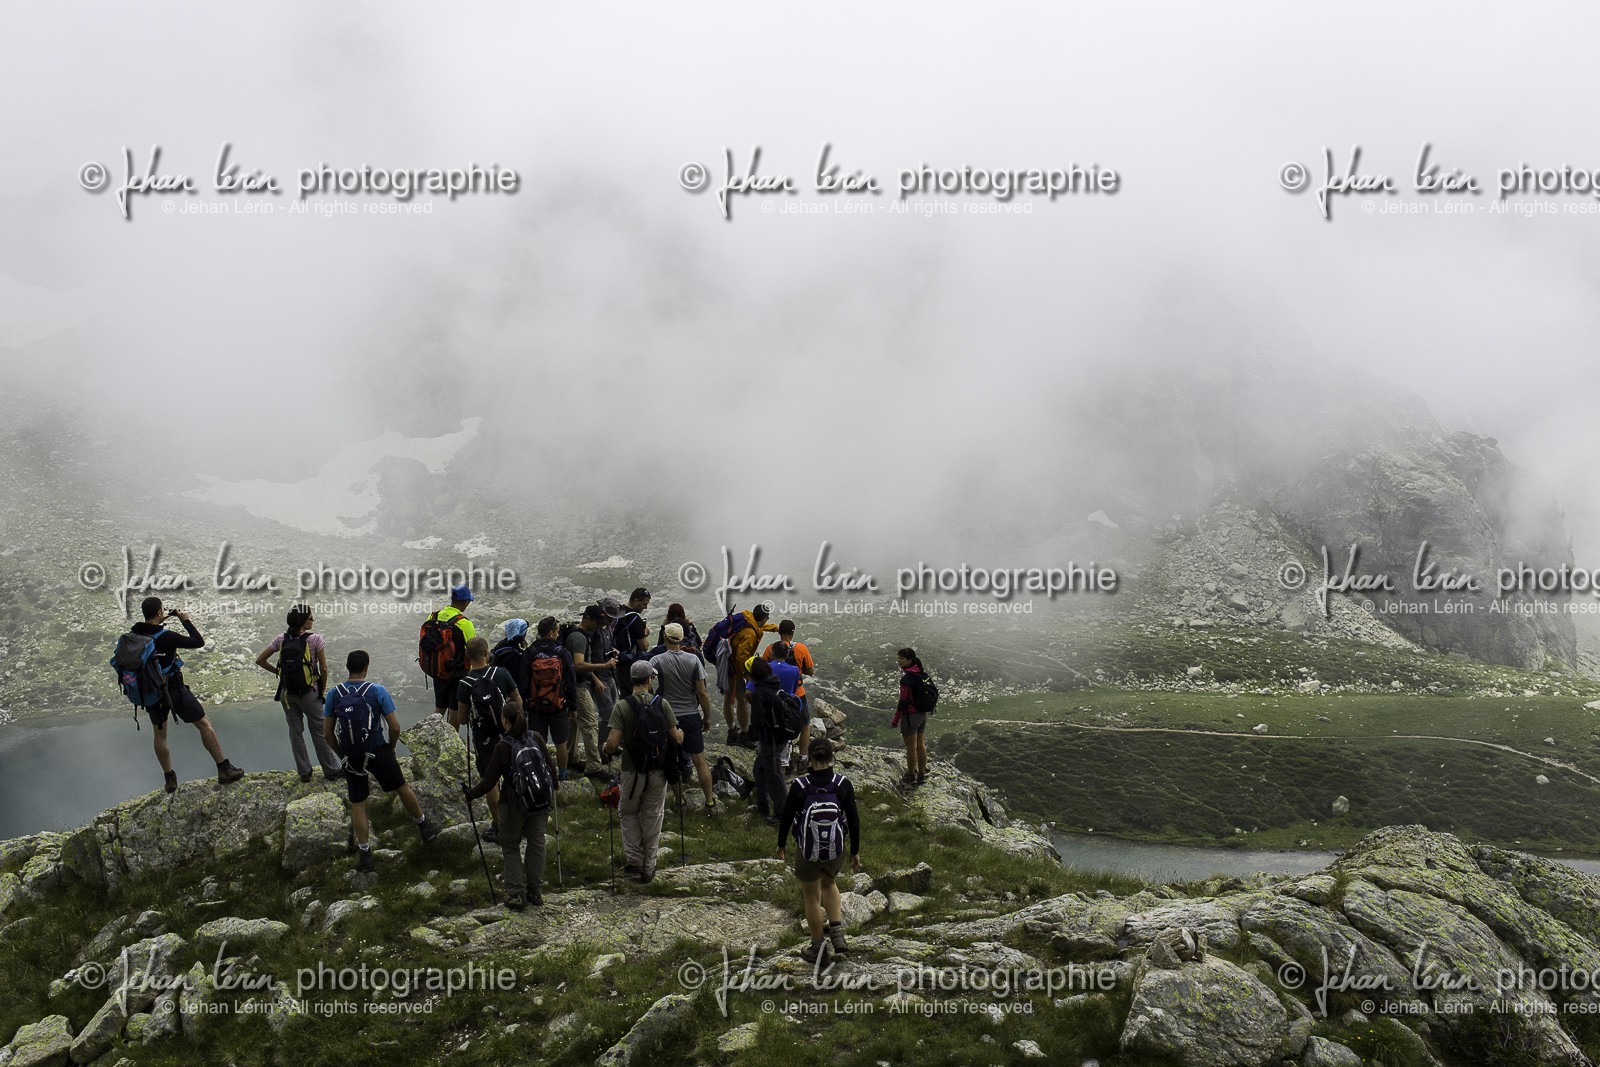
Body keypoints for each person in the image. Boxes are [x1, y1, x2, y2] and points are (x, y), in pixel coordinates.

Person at [323, 649, 441, 871]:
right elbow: (395, 726)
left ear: (348, 668)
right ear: (366, 668)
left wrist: (342, 756)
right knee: (401, 787)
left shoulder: (334, 694)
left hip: (352, 756)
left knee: (358, 803)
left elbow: (327, 734)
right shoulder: (377, 691)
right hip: (377, 749)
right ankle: (424, 825)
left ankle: (365, 853)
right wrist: (391, 747)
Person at [130, 597, 245, 791]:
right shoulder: (165, 636)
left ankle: (169, 779)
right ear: (159, 612)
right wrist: (185, 619)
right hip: (173, 689)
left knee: (160, 734)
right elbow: (198, 642)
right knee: (204, 724)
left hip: (150, 693)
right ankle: (224, 769)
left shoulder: (134, 635)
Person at [778, 737, 861, 962]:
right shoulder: (842, 784)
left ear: (811, 758)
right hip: (836, 849)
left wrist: (781, 843)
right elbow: (853, 819)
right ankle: (837, 935)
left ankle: (818, 948)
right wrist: (855, 850)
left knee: (812, 898)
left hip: (807, 849)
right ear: (832, 757)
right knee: (830, 884)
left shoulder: (800, 786)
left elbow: (786, 817)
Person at [601, 659, 685, 884]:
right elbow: (676, 737)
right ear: (650, 679)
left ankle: (635, 859)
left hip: (631, 771)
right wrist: (682, 734)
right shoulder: (662, 704)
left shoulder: (622, 706)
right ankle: (649, 865)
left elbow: (612, 744)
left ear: (632, 680)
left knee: (627, 813)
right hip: (658, 770)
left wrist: (607, 749)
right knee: (653, 815)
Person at [464, 702, 553, 909]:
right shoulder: (536, 737)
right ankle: (535, 893)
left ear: (505, 720)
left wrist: (470, 795)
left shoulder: (503, 746)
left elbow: (489, 782)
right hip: (540, 800)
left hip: (514, 804)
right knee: (536, 843)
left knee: (511, 846)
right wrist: (554, 785)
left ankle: (516, 894)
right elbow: (549, 766)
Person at [255, 604, 342, 783]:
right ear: (303, 622)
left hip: (287, 694)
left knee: (295, 731)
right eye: (310, 618)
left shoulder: (281, 639)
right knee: (319, 731)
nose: (313, 620)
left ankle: (304, 772)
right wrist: (322, 688)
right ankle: (331, 770)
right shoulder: (315, 639)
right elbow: (323, 668)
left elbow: (260, 660)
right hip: (310, 692)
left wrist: (279, 673)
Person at [452, 637, 522, 845]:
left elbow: (462, 718)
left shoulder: (465, 683)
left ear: (467, 656)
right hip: (509, 733)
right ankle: (520, 819)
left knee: (490, 782)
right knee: (515, 775)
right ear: (486, 652)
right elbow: (517, 700)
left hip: (484, 740)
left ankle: (499, 826)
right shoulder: (501, 673)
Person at [650, 622, 717, 812]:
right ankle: (710, 801)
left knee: (672, 760)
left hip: (667, 716)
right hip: (691, 715)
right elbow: (702, 692)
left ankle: (680, 802)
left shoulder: (656, 660)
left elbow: (646, 683)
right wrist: (707, 717)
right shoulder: (693, 660)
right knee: (699, 760)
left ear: (665, 638)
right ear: (681, 639)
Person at [565, 605, 618, 771]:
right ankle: (594, 765)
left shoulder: (578, 635)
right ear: (587, 619)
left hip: (576, 684)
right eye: (597, 622)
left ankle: (571, 757)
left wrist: (594, 677)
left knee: (574, 723)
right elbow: (578, 664)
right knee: (590, 723)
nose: (599, 626)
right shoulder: (580, 638)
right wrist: (604, 665)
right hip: (579, 686)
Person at [525, 616, 578, 778]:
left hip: (536, 706)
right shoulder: (562, 652)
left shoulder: (530, 652)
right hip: (558, 705)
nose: (558, 633)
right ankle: (562, 775)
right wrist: (573, 706)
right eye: (557, 630)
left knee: (537, 742)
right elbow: (571, 680)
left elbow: (524, 680)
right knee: (561, 743)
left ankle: (540, 774)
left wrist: (527, 704)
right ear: (551, 632)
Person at [764, 620, 816, 774]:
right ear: (793, 632)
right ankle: (802, 758)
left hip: (775, 696)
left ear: (779, 632)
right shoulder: (801, 648)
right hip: (797, 695)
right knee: (805, 725)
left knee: (778, 725)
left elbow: (764, 668)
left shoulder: (770, 649)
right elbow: (811, 671)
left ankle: (778, 760)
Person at [725, 603, 777, 748]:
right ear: (764, 618)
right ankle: (744, 735)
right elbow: (741, 657)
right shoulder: (750, 634)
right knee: (741, 701)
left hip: (727, 664)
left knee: (728, 699)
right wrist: (746, 675)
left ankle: (731, 730)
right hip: (736, 670)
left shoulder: (748, 619)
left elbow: (759, 626)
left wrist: (774, 628)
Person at [746, 657, 788, 825]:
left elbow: (757, 722)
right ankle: (763, 806)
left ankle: (782, 815)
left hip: (770, 738)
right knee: (760, 769)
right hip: (779, 736)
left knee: (774, 775)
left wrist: (750, 735)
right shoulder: (773, 684)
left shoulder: (758, 694)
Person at [423, 584, 477, 718]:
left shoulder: (433, 617)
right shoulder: (464, 623)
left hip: (438, 669)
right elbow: (473, 647)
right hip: (457, 672)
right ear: (465, 602)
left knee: (440, 706)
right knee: (455, 709)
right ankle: (452, 737)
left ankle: (434, 734)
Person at [893, 648, 930, 786]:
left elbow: (902, 702)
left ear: (909, 660)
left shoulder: (906, 679)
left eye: (902, 658)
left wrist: (895, 720)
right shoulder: (920, 673)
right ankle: (921, 774)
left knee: (911, 748)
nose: (899, 661)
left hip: (910, 717)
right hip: (922, 715)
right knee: (920, 745)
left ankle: (910, 775)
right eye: (898, 658)